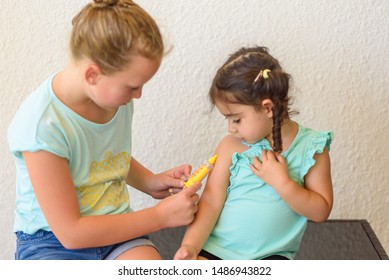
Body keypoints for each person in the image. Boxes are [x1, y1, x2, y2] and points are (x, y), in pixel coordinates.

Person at [7, 0, 201, 260]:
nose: (139, 95)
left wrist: (149, 181)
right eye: (132, 86)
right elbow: (71, 232)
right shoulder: (42, 125)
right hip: (52, 241)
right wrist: (159, 217)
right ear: (92, 75)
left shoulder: (115, 98)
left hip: (116, 230)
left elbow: (103, 156)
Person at [174, 46, 334, 260]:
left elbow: (320, 212)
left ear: (268, 108)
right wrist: (190, 247)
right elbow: (211, 201)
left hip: (272, 258)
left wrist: (283, 184)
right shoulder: (230, 146)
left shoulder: (312, 148)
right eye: (227, 119)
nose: (231, 128)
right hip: (217, 252)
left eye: (236, 119)